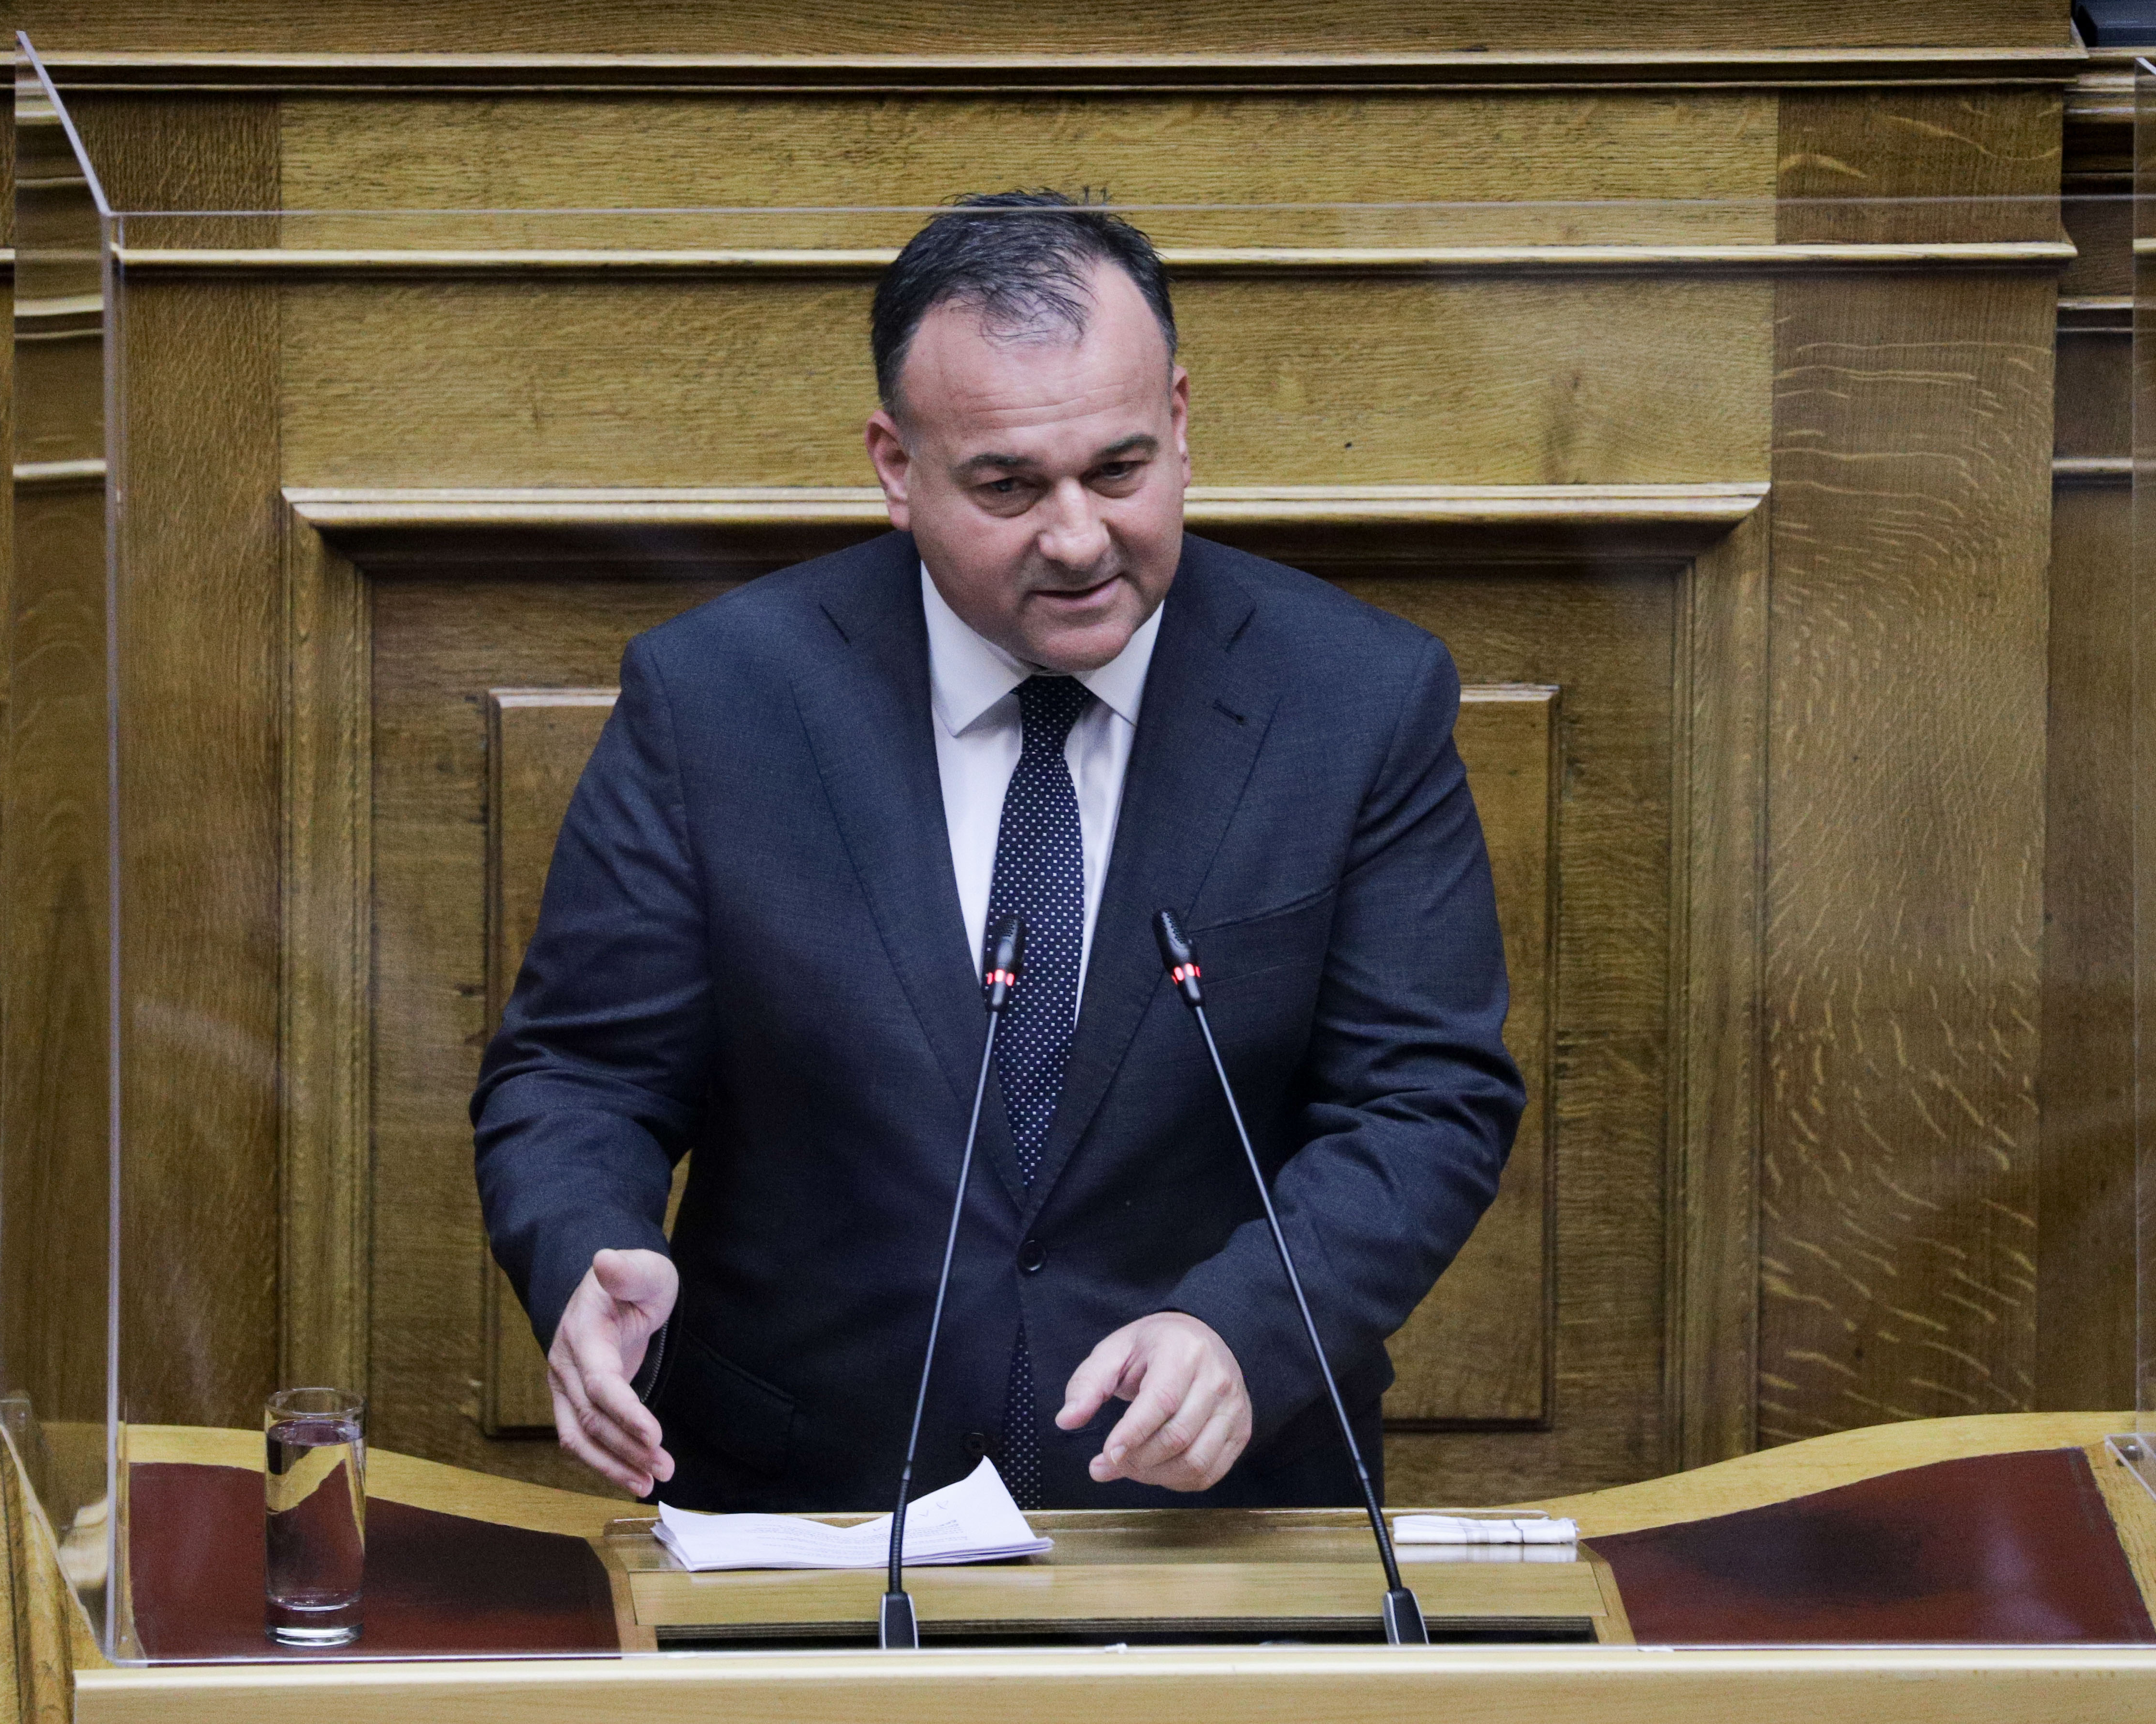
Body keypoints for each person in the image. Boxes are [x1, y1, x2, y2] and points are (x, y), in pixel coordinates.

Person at [473, 190, 1524, 1513]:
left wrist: (1247, 1329)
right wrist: (587, 1253)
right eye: (1009, 486)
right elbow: (582, 1074)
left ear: (1181, 423)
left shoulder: (1354, 698)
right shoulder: (720, 697)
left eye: (1119, 470)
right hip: (809, 1504)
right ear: (895, 467)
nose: (1077, 538)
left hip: (1212, 1509)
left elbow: (1423, 1097)